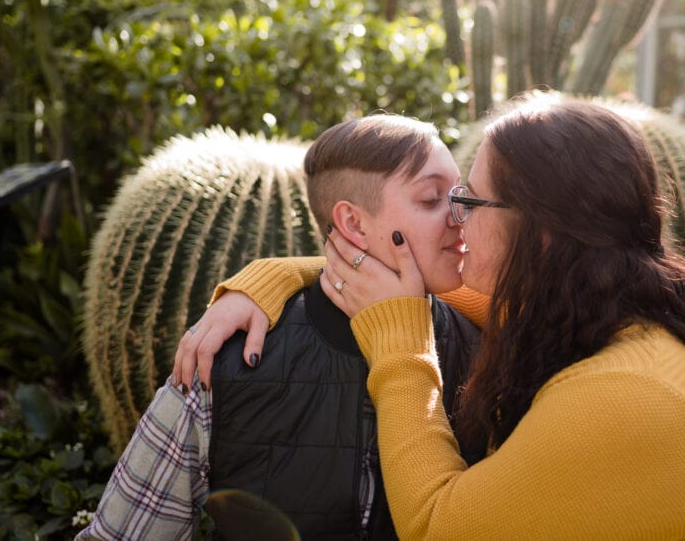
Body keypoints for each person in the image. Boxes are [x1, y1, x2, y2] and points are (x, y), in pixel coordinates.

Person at [180, 96, 685, 539]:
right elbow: (408, 279)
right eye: (437, 199)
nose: (455, 219)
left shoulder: (626, 394)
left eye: (468, 199)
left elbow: (435, 527)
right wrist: (282, 276)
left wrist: (403, 349)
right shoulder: (603, 310)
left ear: (539, 232)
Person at [78, 114, 485, 540]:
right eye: (431, 198)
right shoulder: (227, 358)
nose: (461, 216)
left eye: (459, 195)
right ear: (353, 224)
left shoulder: (491, 355)